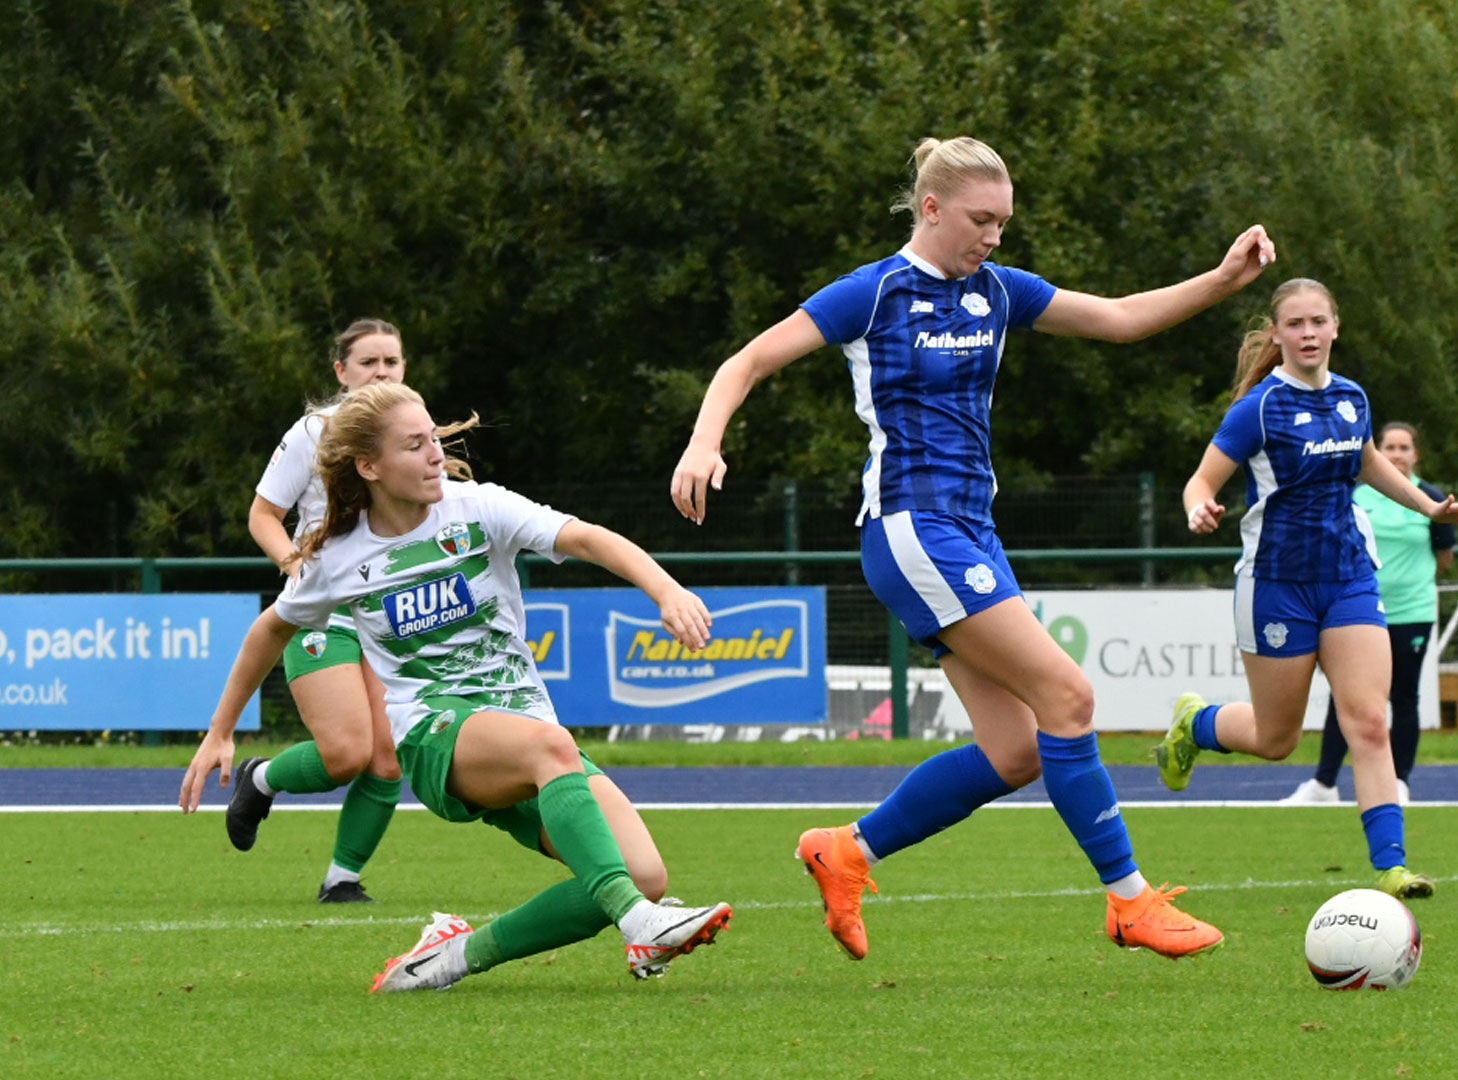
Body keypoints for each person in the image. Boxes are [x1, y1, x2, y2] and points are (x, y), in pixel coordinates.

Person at [670, 136, 1275, 960]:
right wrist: (705, 442)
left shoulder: (998, 290)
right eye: (981, 220)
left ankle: (847, 850)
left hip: (968, 532)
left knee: (1019, 749)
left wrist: (1224, 279)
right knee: (1069, 697)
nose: (994, 236)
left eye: (1004, 222)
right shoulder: (875, 293)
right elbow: (748, 360)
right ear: (931, 209)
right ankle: (1129, 901)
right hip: (912, 530)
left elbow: (1121, 319)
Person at [182, 382, 732, 990]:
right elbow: (269, 630)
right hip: (433, 735)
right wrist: (220, 731)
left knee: (644, 874)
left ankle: (450, 958)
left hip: (519, 730)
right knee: (555, 753)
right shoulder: (340, 558)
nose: (435, 455)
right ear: (369, 466)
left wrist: (668, 590)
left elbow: (585, 537)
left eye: (436, 440)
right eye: (414, 446)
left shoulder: (478, 507)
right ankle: (641, 925)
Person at [1151, 279, 1458, 900]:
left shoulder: (1353, 398)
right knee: (1277, 740)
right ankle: (1196, 724)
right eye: (1295, 324)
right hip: (1276, 585)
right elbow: (1202, 480)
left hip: (1350, 581)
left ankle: (1392, 865)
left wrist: (1429, 507)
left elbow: (1365, 461)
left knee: (1369, 722)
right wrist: (1200, 508)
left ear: (1335, 327)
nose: (1307, 333)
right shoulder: (1259, 407)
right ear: (1276, 335)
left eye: (1318, 322)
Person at [237, 318, 408, 903]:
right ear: (341, 371)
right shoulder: (316, 430)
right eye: (369, 362)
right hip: (325, 610)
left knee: (387, 759)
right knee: (345, 753)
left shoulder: (413, 431)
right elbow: (263, 514)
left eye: (392, 362)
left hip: (390, 612)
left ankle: (342, 879)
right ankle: (260, 779)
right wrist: (295, 566)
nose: (381, 372)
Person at [1282, 421, 1455, 806]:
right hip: (1358, 612)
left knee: (1404, 697)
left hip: (1412, 612)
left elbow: (1445, 556)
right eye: (1389, 447)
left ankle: (1399, 781)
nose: (1396, 454)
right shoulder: (1357, 497)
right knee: (1347, 696)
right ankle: (1324, 784)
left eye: (1404, 447)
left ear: (1416, 454)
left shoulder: (1432, 498)